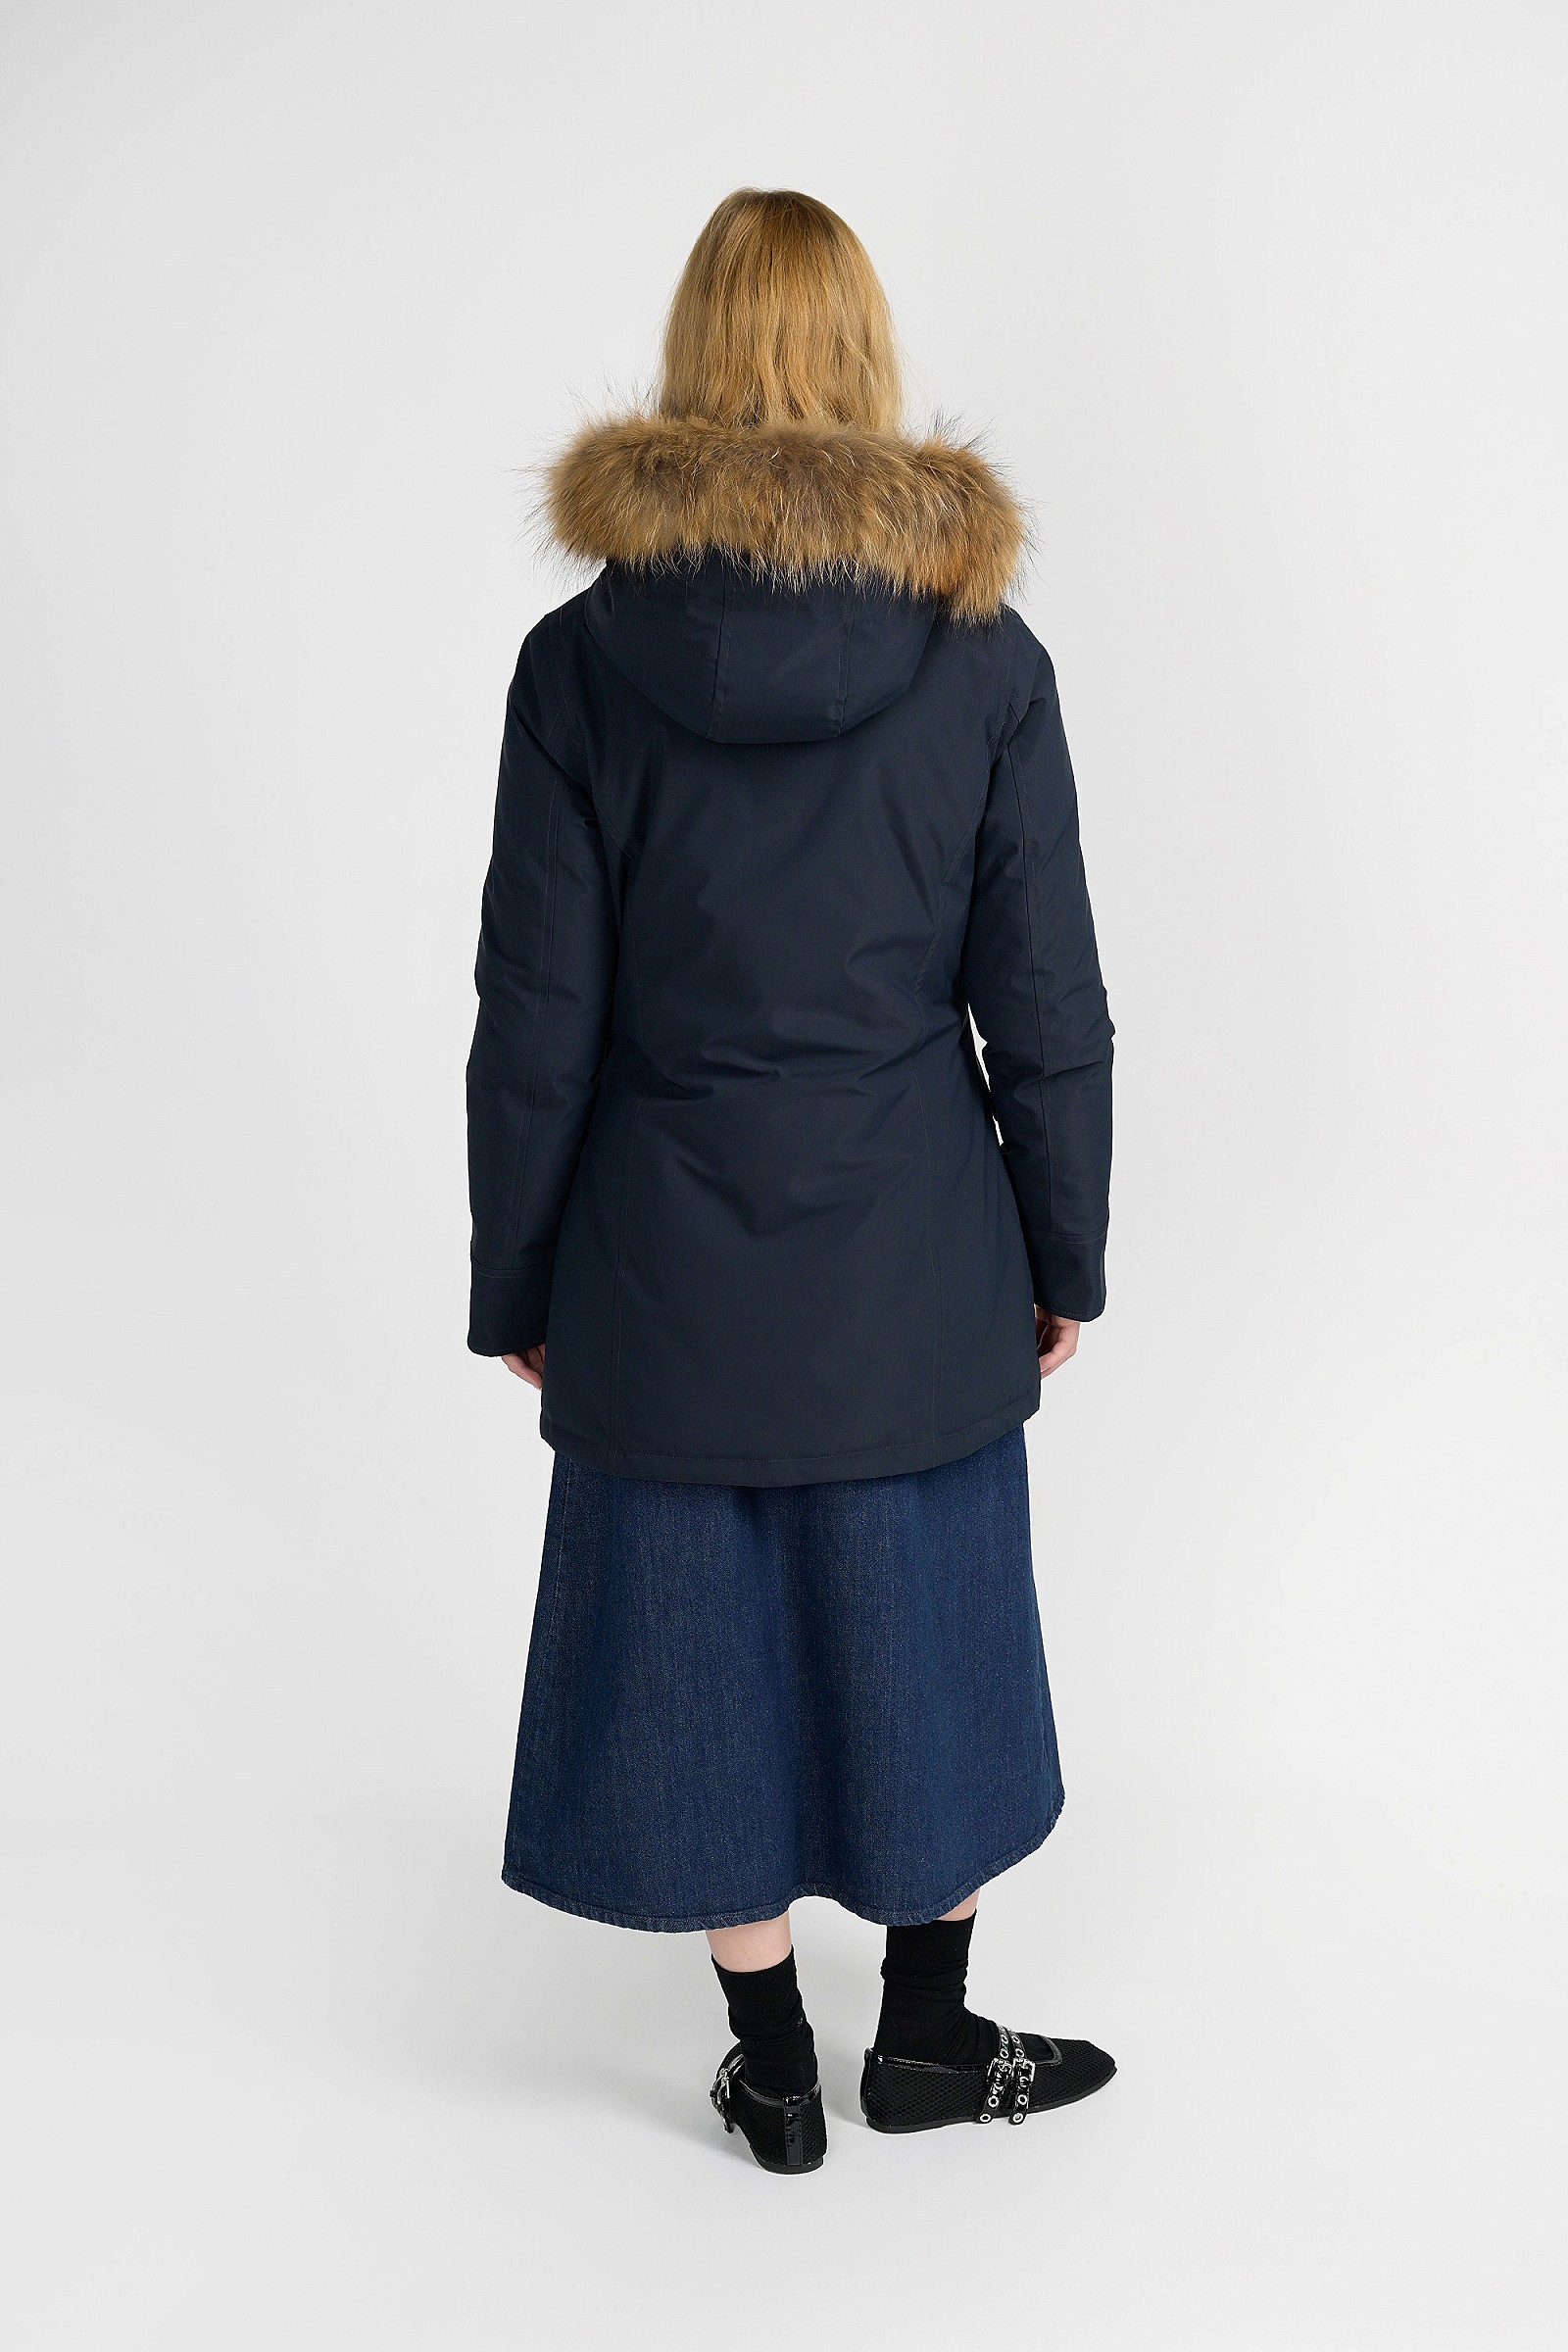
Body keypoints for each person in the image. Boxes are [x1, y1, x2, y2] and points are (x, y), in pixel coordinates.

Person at [466, 188, 1116, 2174]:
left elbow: (534, 1016)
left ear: (692, 358)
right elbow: (1046, 1003)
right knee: (926, 1638)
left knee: (699, 1658)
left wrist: (520, 1284)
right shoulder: (983, 658)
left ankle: (768, 2062)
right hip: (915, 1256)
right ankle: (924, 2042)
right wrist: (1064, 1254)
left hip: (659, 1261)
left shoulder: (580, 664)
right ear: (865, 358)